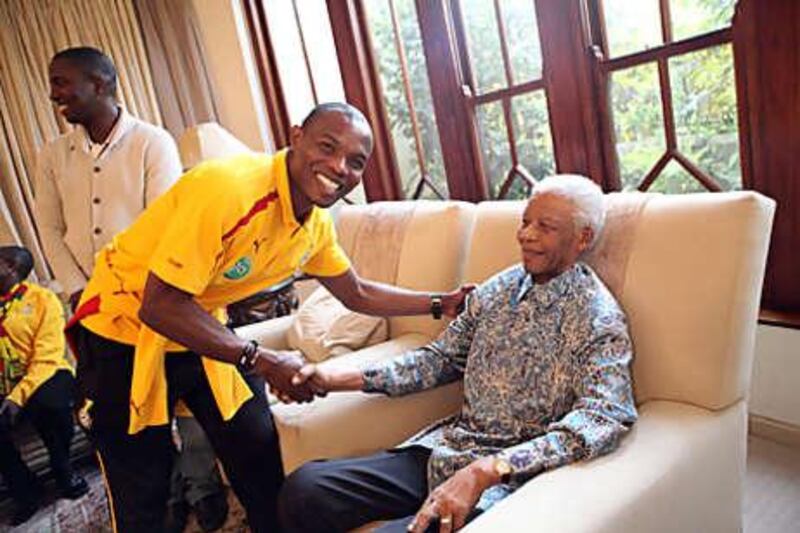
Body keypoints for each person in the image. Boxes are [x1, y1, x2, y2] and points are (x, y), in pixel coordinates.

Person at [65, 102, 472, 532]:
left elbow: (356, 291)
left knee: (256, 449)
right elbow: (160, 303)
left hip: (196, 323)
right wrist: (262, 358)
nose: (338, 167)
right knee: (143, 486)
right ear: (296, 137)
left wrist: (437, 303)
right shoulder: (228, 188)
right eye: (327, 146)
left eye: (355, 161)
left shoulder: (313, 225)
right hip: (123, 327)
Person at [277, 175, 639, 533]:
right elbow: (440, 359)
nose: (526, 235)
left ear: (583, 238)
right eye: (525, 222)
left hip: (508, 481)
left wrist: (489, 469)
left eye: (545, 227)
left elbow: (603, 416)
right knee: (305, 489)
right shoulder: (499, 287)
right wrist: (334, 379)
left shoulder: (597, 318)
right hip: (446, 450)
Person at [34, 46, 227, 532]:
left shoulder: (152, 142)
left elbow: (165, 226)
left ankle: (200, 487)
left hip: (154, 299)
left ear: (99, 84)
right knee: (125, 414)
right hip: (94, 311)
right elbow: (49, 228)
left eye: (62, 82)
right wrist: (79, 289)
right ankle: (160, 497)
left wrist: (140, 294)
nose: (54, 93)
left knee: (182, 397)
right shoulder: (53, 155)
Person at [0, 246, 88, 526]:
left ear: (11, 267)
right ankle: (25, 491)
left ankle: (63, 469)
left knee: (51, 403)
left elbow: (47, 355)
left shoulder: (42, 299)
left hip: (44, 374)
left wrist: (17, 397)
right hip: (4, 383)